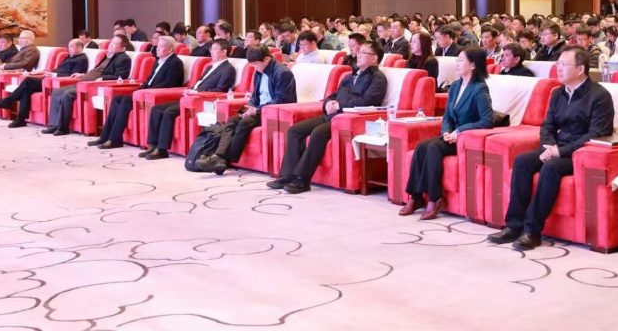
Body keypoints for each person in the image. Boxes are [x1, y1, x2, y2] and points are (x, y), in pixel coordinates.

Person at [487, 46, 614, 250]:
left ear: (580, 69)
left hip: (579, 153)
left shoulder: (599, 96)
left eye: (563, 64)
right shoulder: (558, 93)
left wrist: (560, 152)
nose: (558, 68)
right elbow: (548, 125)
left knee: (551, 167)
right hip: (556, 147)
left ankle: (532, 231)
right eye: (558, 64)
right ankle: (513, 226)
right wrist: (549, 145)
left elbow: (597, 134)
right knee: (522, 162)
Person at [267, 40, 388, 194]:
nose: (358, 55)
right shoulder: (350, 75)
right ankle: (287, 175)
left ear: (374, 58)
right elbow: (334, 94)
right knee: (295, 130)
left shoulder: (378, 78)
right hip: (332, 115)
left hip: (347, 119)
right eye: (359, 52)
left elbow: (368, 101)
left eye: (363, 52)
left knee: (318, 132)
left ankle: (302, 179)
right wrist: (328, 103)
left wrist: (339, 105)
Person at [400, 46, 493, 220]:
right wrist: (446, 132)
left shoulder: (479, 88)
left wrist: (459, 131)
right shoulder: (456, 85)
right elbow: (447, 116)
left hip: (467, 138)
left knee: (433, 148)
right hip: (451, 136)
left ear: (473, 65)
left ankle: (435, 198)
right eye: (457, 60)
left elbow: (487, 121)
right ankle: (416, 197)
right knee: (421, 147)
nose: (457, 63)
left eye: (461, 60)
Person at [197, 46, 298, 175]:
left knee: (245, 122)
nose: (255, 68)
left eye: (256, 64)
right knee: (232, 120)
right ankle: (219, 157)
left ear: (266, 59)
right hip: (259, 108)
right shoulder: (258, 72)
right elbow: (255, 96)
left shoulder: (282, 73)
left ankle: (225, 160)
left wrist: (257, 110)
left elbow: (283, 100)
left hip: (273, 111)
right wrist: (250, 106)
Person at [139, 38, 236, 160]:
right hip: (191, 97)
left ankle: (162, 149)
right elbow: (199, 84)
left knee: (169, 112)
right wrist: (190, 90)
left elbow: (220, 90)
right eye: (211, 49)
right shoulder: (210, 67)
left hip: (201, 101)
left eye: (214, 49)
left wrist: (197, 93)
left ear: (224, 52)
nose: (211, 51)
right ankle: (152, 145)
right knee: (157, 109)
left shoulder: (227, 69)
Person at [86, 36, 184, 149]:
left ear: (170, 49)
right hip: (145, 93)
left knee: (125, 101)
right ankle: (104, 136)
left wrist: (145, 92)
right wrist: (138, 90)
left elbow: (170, 84)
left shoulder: (175, 63)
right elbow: (148, 80)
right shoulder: (158, 61)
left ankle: (115, 139)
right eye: (157, 46)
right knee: (117, 99)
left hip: (155, 96)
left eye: (161, 47)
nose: (157, 49)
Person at [43, 35, 132, 136]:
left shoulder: (124, 58)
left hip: (94, 85)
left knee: (67, 94)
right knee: (57, 92)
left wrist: (102, 78)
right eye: (111, 42)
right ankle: (54, 125)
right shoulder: (109, 56)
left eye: (114, 44)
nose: (110, 45)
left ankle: (63, 127)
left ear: (122, 46)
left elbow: (120, 76)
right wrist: (83, 74)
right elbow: (96, 70)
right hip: (84, 81)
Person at [0, 39, 89, 128]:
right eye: (69, 46)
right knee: (26, 89)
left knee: (28, 81)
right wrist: (44, 72)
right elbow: (56, 70)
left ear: (79, 47)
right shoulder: (68, 57)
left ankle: (8, 101)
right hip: (50, 79)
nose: (69, 48)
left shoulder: (82, 59)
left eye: (71, 46)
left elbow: (73, 75)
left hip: (59, 83)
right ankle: (20, 119)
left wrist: (53, 75)